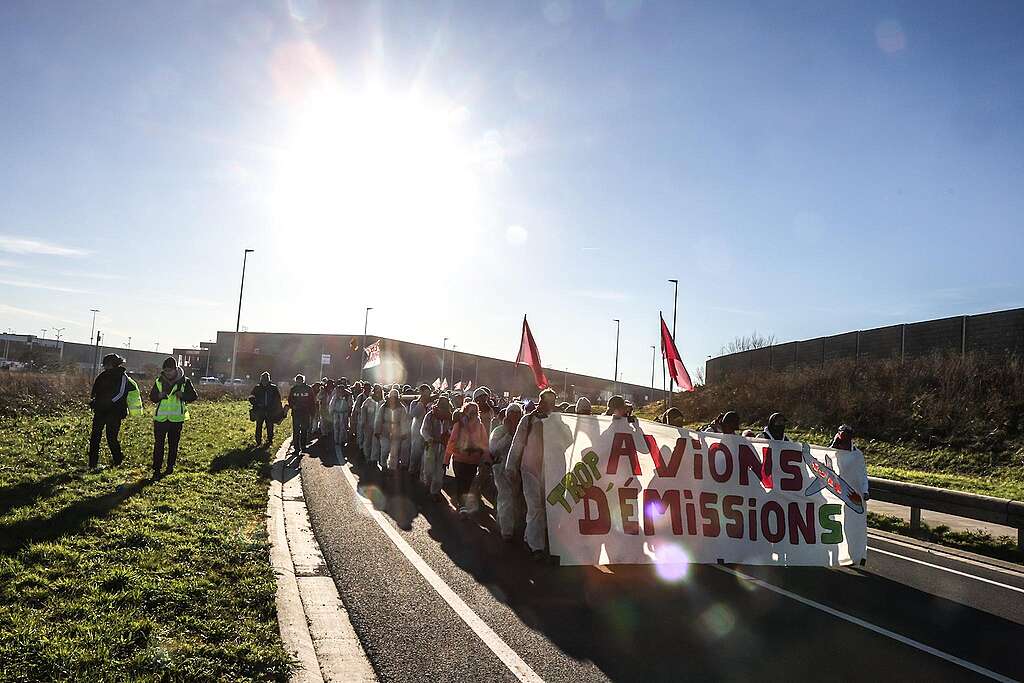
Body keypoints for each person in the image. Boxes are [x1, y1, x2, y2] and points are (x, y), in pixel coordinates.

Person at [508, 387, 557, 560]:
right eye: (546, 401)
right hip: (529, 469)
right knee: (535, 507)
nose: (549, 405)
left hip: (549, 471)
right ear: (540, 401)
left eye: (552, 402)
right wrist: (510, 467)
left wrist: (553, 424)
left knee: (543, 507)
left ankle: (530, 537)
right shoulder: (527, 420)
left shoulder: (557, 421)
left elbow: (569, 440)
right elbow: (517, 443)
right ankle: (537, 548)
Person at [87, 353, 142, 470]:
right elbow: (96, 392)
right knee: (95, 437)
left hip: (114, 412)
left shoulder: (123, 377)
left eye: (106, 364)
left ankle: (118, 459)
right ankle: (92, 464)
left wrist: (107, 402)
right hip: (101, 411)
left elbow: (121, 393)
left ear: (113, 364)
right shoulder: (102, 376)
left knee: (111, 437)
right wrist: (95, 401)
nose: (104, 366)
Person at [150, 357, 198, 478]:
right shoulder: (159, 381)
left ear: (175, 369)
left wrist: (183, 395)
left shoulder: (185, 381)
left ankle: (170, 467)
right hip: (160, 418)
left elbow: (193, 396)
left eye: (170, 370)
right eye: (165, 371)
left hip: (176, 419)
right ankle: (156, 469)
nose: (168, 373)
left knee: (173, 444)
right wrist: (158, 396)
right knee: (158, 444)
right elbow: (152, 397)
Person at [446, 400, 489, 513]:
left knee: (468, 483)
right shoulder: (459, 425)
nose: (472, 414)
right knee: (461, 482)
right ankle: (462, 506)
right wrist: (446, 460)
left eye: (475, 412)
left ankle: (462, 505)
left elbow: (484, 444)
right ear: (465, 412)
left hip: (473, 460)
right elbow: (452, 442)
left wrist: (486, 459)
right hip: (459, 459)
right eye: (470, 412)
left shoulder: (480, 427)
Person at [490, 402, 524, 541]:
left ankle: (505, 523)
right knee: (506, 497)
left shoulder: (524, 431)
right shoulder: (499, 431)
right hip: (501, 470)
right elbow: (493, 449)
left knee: (515, 499)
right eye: (512, 414)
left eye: (518, 415)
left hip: (518, 470)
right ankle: (506, 531)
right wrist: (509, 435)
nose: (515, 418)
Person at [420, 396, 453, 499]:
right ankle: (427, 484)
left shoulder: (450, 417)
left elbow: (453, 431)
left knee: (439, 471)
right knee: (429, 469)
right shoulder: (430, 416)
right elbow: (423, 430)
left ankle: (435, 491)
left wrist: (448, 436)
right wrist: (430, 439)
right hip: (431, 445)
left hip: (444, 447)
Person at [377, 387, 411, 473]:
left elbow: (404, 420)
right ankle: (383, 464)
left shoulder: (402, 408)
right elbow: (379, 419)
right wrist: (377, 430)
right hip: (385, 430)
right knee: (385, 449)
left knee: (394, 452)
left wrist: (404, 433)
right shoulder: (383, 407)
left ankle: (392, 468)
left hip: (397, 431)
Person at [248, 372, 282, 446]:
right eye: (263, 380)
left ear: (268, 380)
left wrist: (274, 407)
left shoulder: (273, 388)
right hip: (260, 410)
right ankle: (258, 441)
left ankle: (269, 440)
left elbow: (277, 399)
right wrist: (256, 404)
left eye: (265, 380)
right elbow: (251, 397)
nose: (264, 382)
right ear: (261, 380)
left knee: (270, 426)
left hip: (270, 410)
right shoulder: (257, 387)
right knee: (259, 426)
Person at [407, 384, 433, 478]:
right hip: (417, 430)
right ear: (420, 392)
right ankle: (412, 470)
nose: (427, 395)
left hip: (428, 431)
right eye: (424, 393)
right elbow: (413, 414)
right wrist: (421, 403)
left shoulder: (432, 404)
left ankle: (422, 474)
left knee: (426, 454)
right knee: (416, 451)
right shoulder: (415, 402)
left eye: (428, 393)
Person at [288, 374, 314, 453]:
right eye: (297, 380)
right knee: (296, 431)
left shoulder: (308, 389)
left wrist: (312, 412)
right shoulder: (293, 389)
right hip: (296, 413)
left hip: (305, 413)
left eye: (300, 380)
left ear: (303, 381)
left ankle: (303, 446)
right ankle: (296, 448)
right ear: (296, 381)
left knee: (304, 430)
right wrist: (293, 406)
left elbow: (312, 401)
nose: (299, 382)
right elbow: (290, 400)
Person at [361, 384, 382, 460]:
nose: (377, 392)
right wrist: (364, 421)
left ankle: (374, 458)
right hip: (368, 424)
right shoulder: (369, 400)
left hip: (378, 426)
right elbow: (363, 410)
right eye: (376, 390)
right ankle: (367, 456)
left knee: (376, 442)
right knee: (367, 441)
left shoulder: (383, 402)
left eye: (379, 390)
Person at [329, 382, 353, 449]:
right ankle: (336, 440)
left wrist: (349, 411)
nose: (341, 390)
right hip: (336, 413)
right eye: (340, 389)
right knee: (336, 427)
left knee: (343, 428)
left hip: (344, 413)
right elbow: (332, 404)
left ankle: (342, 440)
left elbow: (350, 404)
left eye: (342, 389)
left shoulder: (348, 396)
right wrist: (331, 412)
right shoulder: (335, 396)